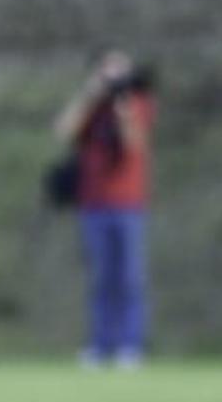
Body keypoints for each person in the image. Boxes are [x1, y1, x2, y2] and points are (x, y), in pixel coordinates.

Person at [52, 50, 156, 366]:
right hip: (93, 204)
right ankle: (100, 345)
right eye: (108, 70)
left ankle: (130, 346)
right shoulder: (92, 108)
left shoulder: (138, 102)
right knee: (100, 278)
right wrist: (89, 95)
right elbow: (62, 131)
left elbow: (134, 144)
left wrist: (123, 109)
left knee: (129, 278)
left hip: (128, 204)